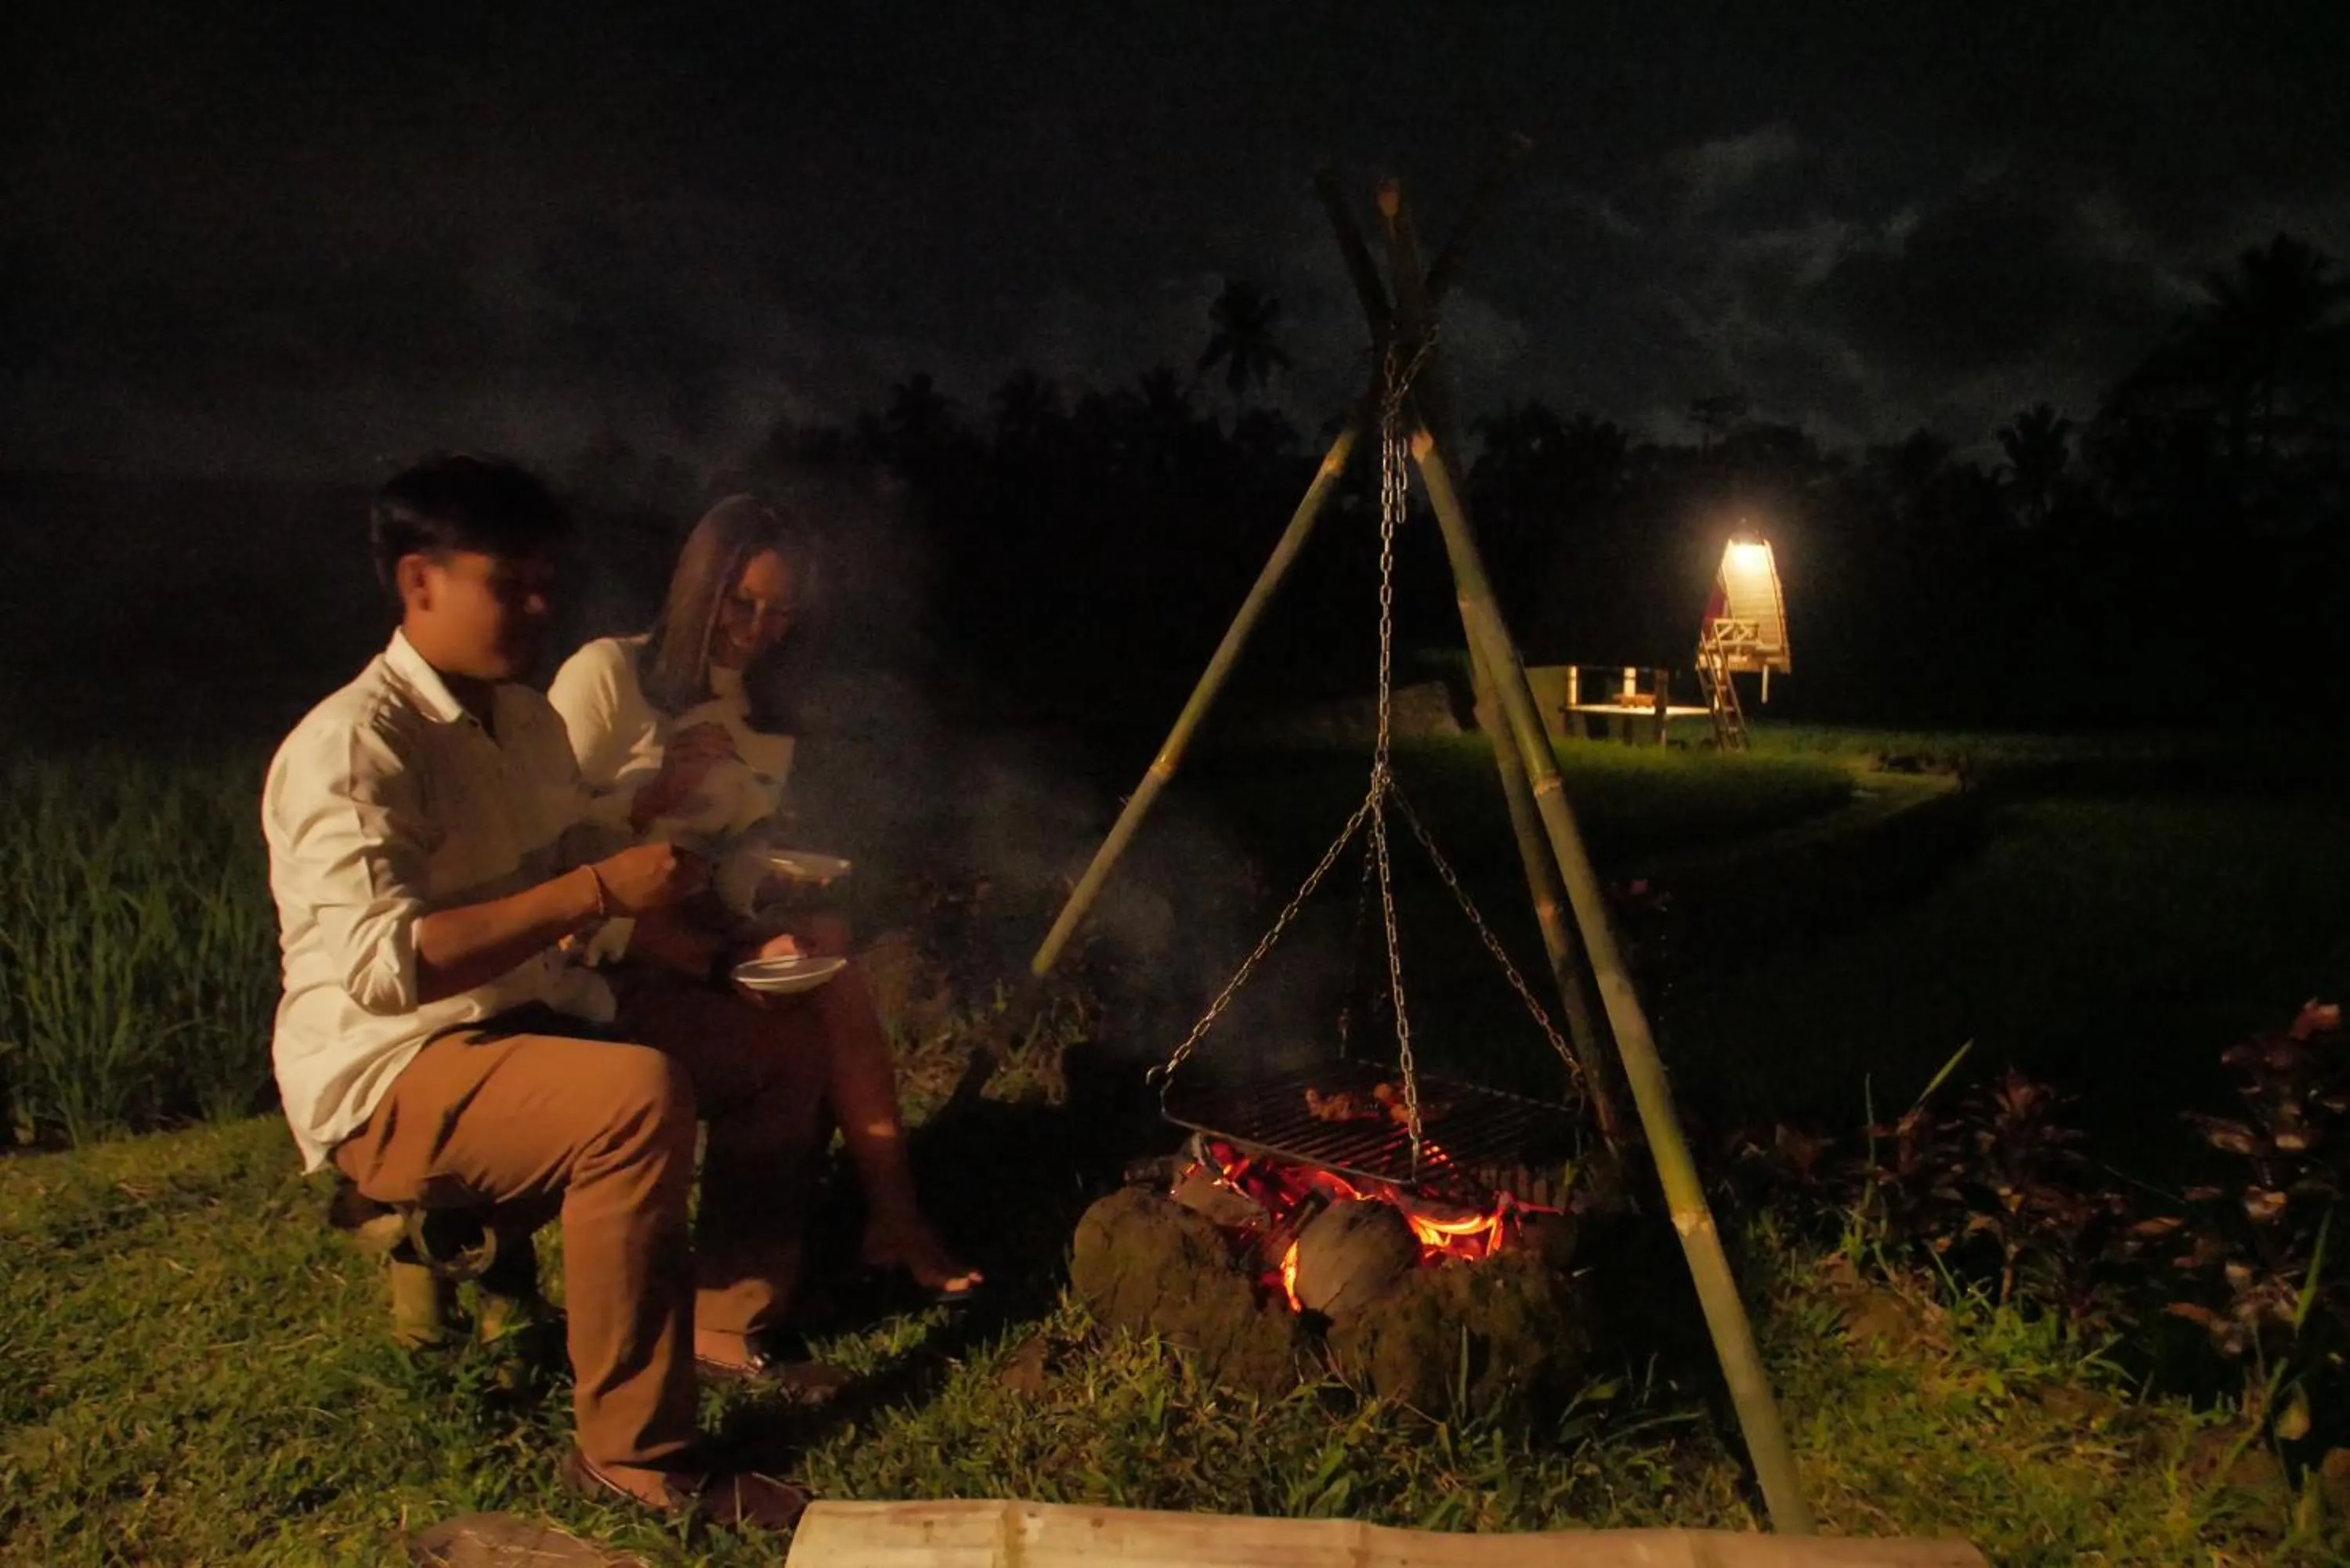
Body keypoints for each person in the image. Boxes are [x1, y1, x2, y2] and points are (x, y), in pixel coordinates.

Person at [262, 455, 815, 1530]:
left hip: (540, 1009)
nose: (538, 605)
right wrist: (598, 882)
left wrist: (715, 948)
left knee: (771, 1045)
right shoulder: (351, 746)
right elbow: (387, 968)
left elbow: (583, 848)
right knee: (636, 1097)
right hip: (399, 1066)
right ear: (420, 582)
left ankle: (724, 1321)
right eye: (509, 582)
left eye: (547, 580)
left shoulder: (522, 721)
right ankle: (634, 1456)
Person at [548, 493, 980, 1303]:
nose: (756, 628)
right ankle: (882, 1224)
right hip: (605, 941)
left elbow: (731, 852)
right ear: (697, 590)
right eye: (739, 603)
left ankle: (881, 1217)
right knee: (807, 1020)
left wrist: (767, 884)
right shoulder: (606, 674)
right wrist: (651, 796)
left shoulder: (761, 713)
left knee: (830, 963)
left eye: (779, 613)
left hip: (700, 924)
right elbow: (544, 840)